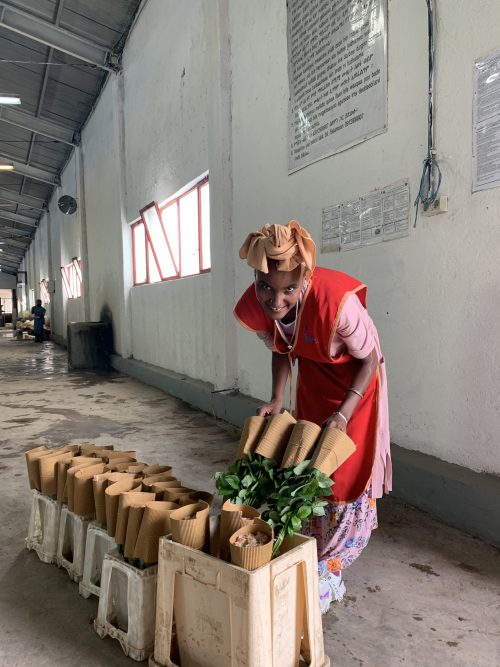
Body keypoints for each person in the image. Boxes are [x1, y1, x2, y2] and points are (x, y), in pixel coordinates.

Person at [234, 221, 391, 614]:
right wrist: (276, 397)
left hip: (357, 391)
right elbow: (281, 344)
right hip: (314, 381)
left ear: (304, 278)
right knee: (307, 469)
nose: (275, 300)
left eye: (288, 289)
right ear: (255, 277)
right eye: (265, 286)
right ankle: (309, 550)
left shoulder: (337, 302)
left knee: (342, 475)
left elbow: (369, 359)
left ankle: (331, 569)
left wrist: (344, 411)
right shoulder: (260, 305)